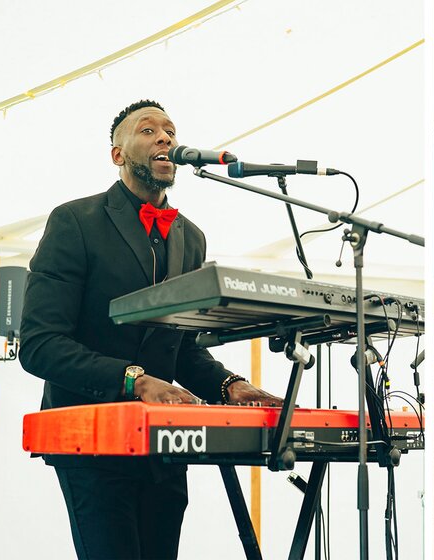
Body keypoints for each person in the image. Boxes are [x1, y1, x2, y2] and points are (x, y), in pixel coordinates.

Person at [19, 100, 283, 559]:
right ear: (118, 155)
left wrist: (229, 384)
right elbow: (40, 345)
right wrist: (134, 379)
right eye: (147, 130)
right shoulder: (74, 222)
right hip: (92, 441)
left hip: (165, 444)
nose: (164, 137)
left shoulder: (191, 236)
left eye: (170, 130)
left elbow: (181, 347)